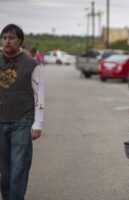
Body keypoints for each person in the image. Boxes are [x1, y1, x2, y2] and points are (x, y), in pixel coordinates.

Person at [0, 24, 44, 200]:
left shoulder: (31, 63)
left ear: (20, 40)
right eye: (4, 37)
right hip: (0, 121)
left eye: (11, 38)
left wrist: (38, 123)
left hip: (23, 122)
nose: (7, 41)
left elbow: (39, 93)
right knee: (4, 170)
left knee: (19, 167)